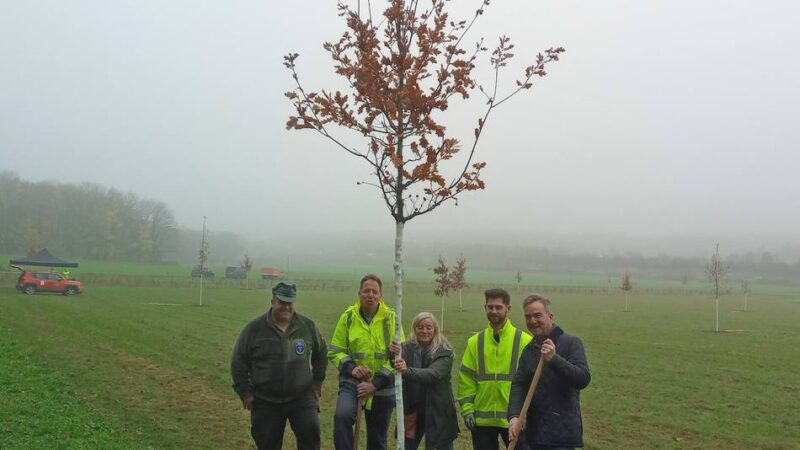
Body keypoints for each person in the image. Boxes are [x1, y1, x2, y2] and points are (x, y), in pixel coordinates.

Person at [231, 282, 327, 450]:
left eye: (289, 303)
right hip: (266, 400)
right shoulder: (254, 329)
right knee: (267, 444)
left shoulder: (307, 326)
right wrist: (244, 392)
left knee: (311, 437)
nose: (286, 307)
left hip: (302, 398)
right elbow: (238, 361)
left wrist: (317, 381)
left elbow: (321, 353)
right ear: (272, 301)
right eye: (282, 302)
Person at [329, 274, 403, 450]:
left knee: (377, 439)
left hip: (382, 386)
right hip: (352, 383)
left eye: (374, 291)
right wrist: (352, 368)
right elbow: (334, 352)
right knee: (342, 417)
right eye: (366, 291)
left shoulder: (392, 319)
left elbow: (399, 357)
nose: (370, 295)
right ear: (359, 294)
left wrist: (375, 384)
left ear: (380, 296)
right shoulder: (348, 318)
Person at [508, 294, 591, 450]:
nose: (532, 321)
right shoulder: (529, 350)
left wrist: (554, 359)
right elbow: (518, 385)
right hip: (534, 434)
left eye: (538, 315)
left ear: (550, 316)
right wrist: (514, 416)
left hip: (561, 437)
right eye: (528, 317)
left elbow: (583, 378)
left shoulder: (570, 342)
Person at [457, 288, 532, 450]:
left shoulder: (525, 341)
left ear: (508, 308)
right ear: (485, 307)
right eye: (490, 307)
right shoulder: (475, 342)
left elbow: (532, 381)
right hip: (482, 420)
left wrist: (527, 414)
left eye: (498, 307)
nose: (494, 311)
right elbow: (466, 378)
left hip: (514, 420)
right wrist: (467, 410)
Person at [391, 312, 460, 450]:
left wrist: (407, 371)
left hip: (438, 410)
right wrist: (393, 353)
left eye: (429, 327)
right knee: (406, 446)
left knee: (443, 446)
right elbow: (398, 362)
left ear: (435, 329)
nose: (424, 331)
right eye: (420, 327)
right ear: (414, 329)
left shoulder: (444, 351)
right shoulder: (407, 348)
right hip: (413, 409)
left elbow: (433, 374)